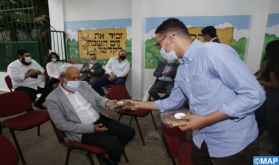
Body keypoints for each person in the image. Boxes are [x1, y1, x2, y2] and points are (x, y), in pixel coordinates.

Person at [125, 18, 265, 165]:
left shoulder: (213, 53)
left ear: (171, 38)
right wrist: (139, 104)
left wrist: (204, 120)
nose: (161, 50)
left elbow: (254, 95)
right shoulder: (182, 69)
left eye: (159, 44)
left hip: (232, 143)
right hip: (201, 138)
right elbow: (173, 101)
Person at [46, 64, 135, 164]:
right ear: (61, 79)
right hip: (82, 129)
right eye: (73, 78)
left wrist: (107, 103)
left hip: (99, 119)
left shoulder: (83, 85)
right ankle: (111, 159)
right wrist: (91, 128)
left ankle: (109, 155)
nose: (77, 81)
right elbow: (62, 125)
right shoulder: (53, 99)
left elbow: (98, 99)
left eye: (78, 77)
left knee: (129, 132)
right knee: (116, 147)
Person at [255, 40, 279, 156]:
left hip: (274, 97)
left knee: (271, 123)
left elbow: (275, 85)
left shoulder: (273, 65)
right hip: (273, 97)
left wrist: (259, 82)